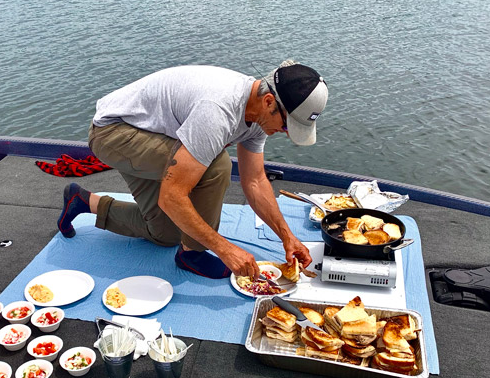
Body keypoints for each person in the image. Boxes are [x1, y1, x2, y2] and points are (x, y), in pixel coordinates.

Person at [57, 59, 328, 279]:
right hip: (114, 132)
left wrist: (287, 237)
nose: (283, 133)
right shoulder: (218, 111)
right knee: (216, 165)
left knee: (165, 234)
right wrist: (224, 249)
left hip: (156, 133)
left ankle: (82, 201)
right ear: (269, 101)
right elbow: (171, 196)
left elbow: (255, 180)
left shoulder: (259, 112)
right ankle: (192, 254)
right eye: (285, 126)